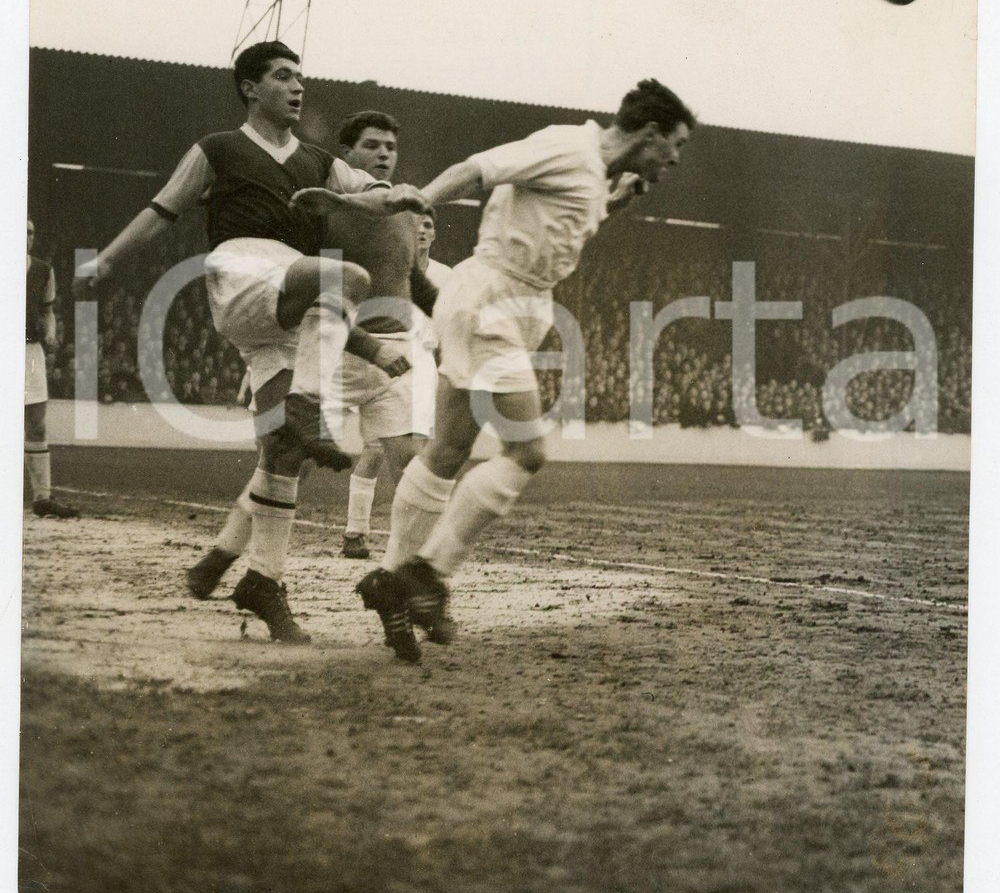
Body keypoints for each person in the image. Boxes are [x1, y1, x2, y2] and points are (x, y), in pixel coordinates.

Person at [76, 42, 425, 643]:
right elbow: (162, 210)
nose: (298, 87)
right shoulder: (219, 148)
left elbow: (379, 196)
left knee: (283, 453)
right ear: (249, 87)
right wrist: (106, 260)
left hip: (284, 309)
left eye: (301, 77)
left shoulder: (318, 161)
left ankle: (263, 579)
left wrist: (383, 196)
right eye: (283, 76)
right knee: (348, 278)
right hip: (242, 268)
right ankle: (308, 406)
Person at [361, 78, 695, 663]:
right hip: (491, 299)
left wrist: (618, 200)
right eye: (677, 144)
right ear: (650, 133)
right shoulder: (569, 146)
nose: (675, 159)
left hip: (514, 304)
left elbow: (564, 223)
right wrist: (419, 199)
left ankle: (391, 582)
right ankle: (429, 573)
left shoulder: (596, 174)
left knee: (446, 451)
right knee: (528, 451)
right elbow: (479, 168)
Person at [338, 131, 453, 560]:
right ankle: (356, 532)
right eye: (418, 223)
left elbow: (442, 315)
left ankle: (411, 552)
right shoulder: (376, 249)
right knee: (369, 451)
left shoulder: (444, 274)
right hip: (364, 348)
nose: (422, 230)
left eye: (429, 226)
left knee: (409, 454)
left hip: (415, 362)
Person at [25, 218, 79, 519]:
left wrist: (51, 331)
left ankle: (42, 498)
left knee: (37, 424)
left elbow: (47, 311)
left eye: (31, 232)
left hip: (29, 349)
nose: (27, 237)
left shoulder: (43, 270)